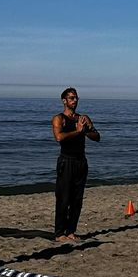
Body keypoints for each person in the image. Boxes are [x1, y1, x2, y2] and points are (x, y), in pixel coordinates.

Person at [52, 87, 101, 241]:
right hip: (66, 161)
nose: (74, 101)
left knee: (77, 199)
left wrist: (85, 130)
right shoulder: (59, 118)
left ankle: (71, 231)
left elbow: (97, 136)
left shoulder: (83, 118)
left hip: (81, 161)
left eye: (76, 98)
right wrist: (77, 132)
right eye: (71, 98)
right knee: (63, 198)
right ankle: (59, 233)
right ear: (64, 100)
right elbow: (59, 137)